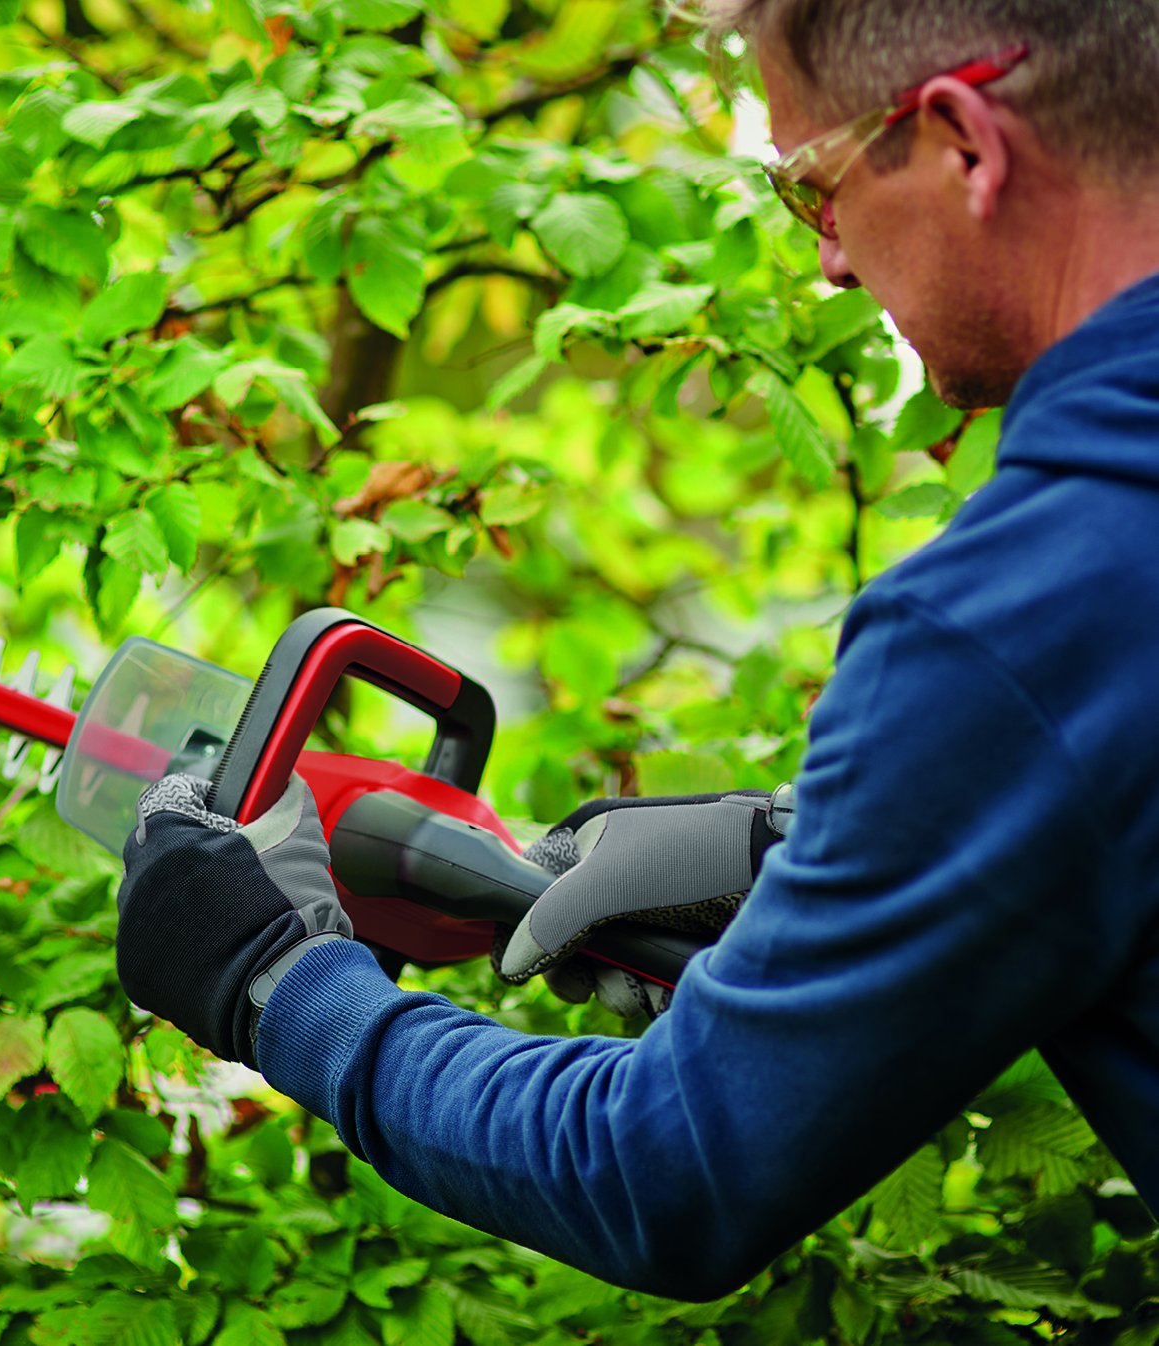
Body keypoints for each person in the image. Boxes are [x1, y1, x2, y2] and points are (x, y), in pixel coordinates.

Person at [113, 0, 1159, 1299]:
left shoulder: (1018, 616)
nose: (827, 261)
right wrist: (792, 851)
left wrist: (282, 987)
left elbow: (668, 1168)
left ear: (959, 141)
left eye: (810, 189)